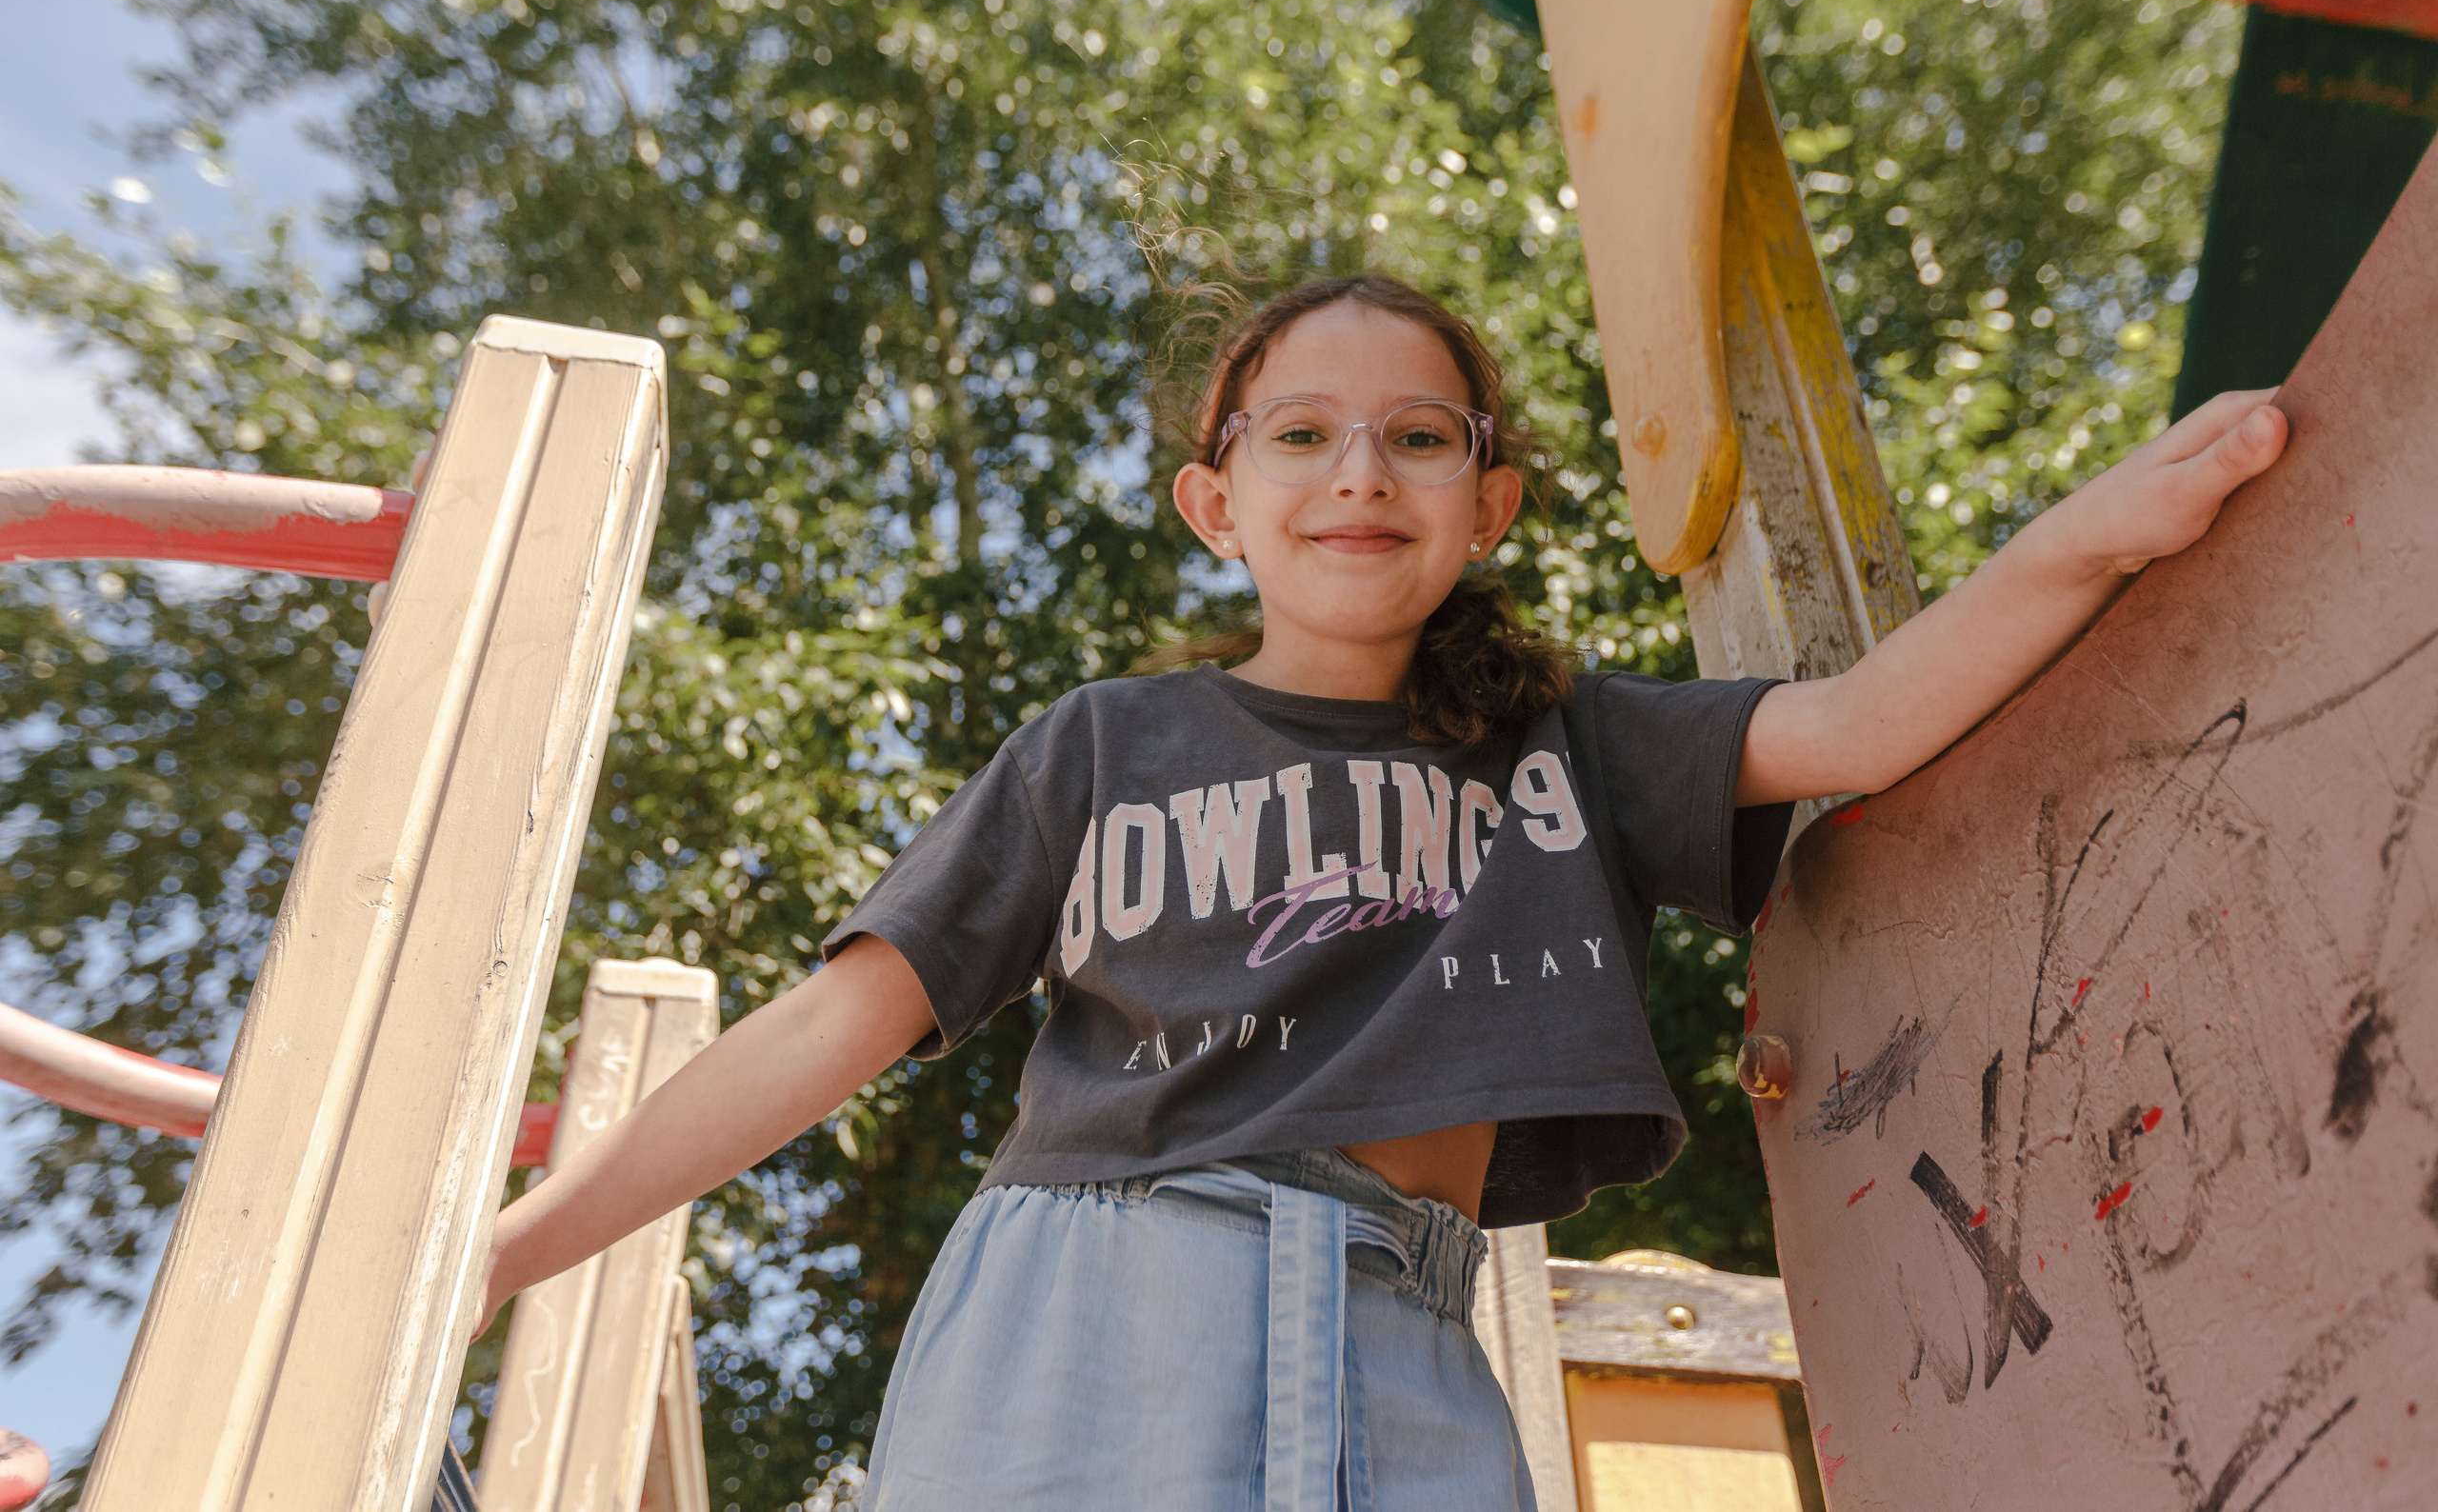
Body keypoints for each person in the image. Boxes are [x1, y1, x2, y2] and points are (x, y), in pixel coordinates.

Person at [473, 274, 2287, 1508]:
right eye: (1301, 437)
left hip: (1409, 1323)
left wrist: (2085, 535)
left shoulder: (1562, 744)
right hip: (1101, 1304)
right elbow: (827, 1028)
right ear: (1217, 499)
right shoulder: (1104, 747)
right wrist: (499, 1259)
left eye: (1421, 437)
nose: (1362, 472)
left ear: (1487, 502)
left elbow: (1869, 723)